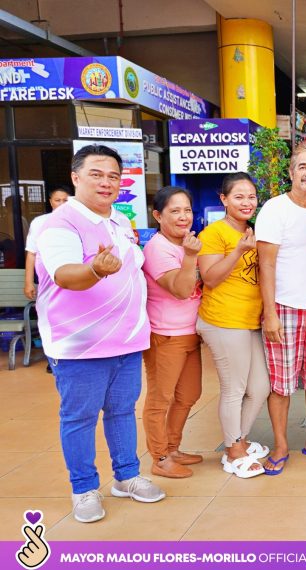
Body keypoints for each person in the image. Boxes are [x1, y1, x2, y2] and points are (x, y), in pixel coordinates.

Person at [35, 144, 165, 523]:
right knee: (79, 418)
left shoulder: (120, 223)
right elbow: (64, 275)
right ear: (75, 178)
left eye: (112, 175)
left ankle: (126, 477)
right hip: (80, 345)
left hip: (126, 340)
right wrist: (95, 270)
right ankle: (84, 488)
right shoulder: (57, 224)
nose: (106, 182)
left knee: (123, 411)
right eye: (96, 174)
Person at [256, 143, 306, 475]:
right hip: (284, 308)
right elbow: (266, 264)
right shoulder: (275, 209)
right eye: (302, 166)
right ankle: (281, 444)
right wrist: (270, 312)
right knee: (281, 383)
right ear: (291, 172)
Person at [197, 172, 270, 479]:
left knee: (260, 388)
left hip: (248, 321)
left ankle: (237, 440)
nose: (246, 202)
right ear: (224, 199)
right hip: (223, 320)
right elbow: (210, 278)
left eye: (251, 196)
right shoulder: (214, 233)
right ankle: (233, 450)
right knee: (234, 388)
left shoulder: (253, 229)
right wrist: (239, 250)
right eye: (238, 196)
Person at [142, 186, 204, 479]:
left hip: (190, 334)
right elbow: (181, 290)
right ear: (158, 215)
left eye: (187, 210)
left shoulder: (184, 244)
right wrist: (191, 257)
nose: (183, 217)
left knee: (189, 394)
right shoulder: (157, 248)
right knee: (160, 399)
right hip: (166, 335)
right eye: (174, 211)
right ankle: (160, 457)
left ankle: (173, 446)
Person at [24, 186, 71, 300]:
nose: (61, 204)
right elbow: (31, 253)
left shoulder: (79, 221)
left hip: (72, 277)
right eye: (57, 200)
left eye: (65, 200)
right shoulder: (39, 222)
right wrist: (28, 282)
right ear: (51, 202)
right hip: (47, 279)